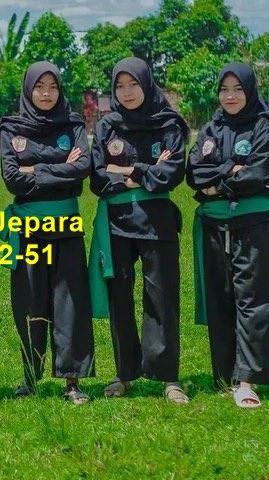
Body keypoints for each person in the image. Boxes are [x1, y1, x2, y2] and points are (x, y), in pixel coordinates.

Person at [88, 57, 190, 403]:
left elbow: (172, 173)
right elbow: (97, 178)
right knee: (120, 298)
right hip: (116, 222)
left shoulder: (168, 124)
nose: (127, 92)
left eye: (133, 84)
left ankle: (168, 377)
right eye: (120, 86)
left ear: (147, 84)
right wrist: (147, 172)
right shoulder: (107, 126)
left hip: (157, 221)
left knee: (162, 298)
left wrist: (125, 170)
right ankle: (124, 373)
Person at [0, 61, 95, 403]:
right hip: (28, 228)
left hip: (66, 226)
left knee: (71, 302)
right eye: (39, 87)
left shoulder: (73, 123)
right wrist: (60, 166)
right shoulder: (11, 128)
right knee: (29, 300)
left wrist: (34, 169)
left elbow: (83, 167)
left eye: (52, 86)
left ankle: (72, 380)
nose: (46, 93)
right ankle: (30, 376)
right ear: (28, 90)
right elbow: (11, 178)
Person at [186, 62, 269, 408]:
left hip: (252, 224)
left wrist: (217, 185)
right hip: (214, 225)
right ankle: (225, 374)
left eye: (238, 89)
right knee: (220, 297)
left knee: (253, 299)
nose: (230, 96)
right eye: (224, 90)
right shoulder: (210, 129)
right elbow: (194, 173)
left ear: (250, 91)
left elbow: (261, 170)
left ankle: (247, 380)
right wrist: (231, 172)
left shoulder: (261, 128)